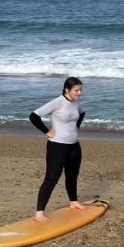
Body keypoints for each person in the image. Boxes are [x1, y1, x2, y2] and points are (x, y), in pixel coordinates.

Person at [29, 77, 88, 222]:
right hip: (57, 146)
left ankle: (73, 202)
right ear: (67, 90)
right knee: (51, 178)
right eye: (76, 90)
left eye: (80, 90)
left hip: (74, 145)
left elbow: (82, 112)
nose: (79, 93)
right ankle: (39, 213)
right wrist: (47, 131)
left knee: (72, 175)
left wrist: (76, 128)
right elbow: (34, 116)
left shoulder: (75, 104)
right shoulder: (57, 103)